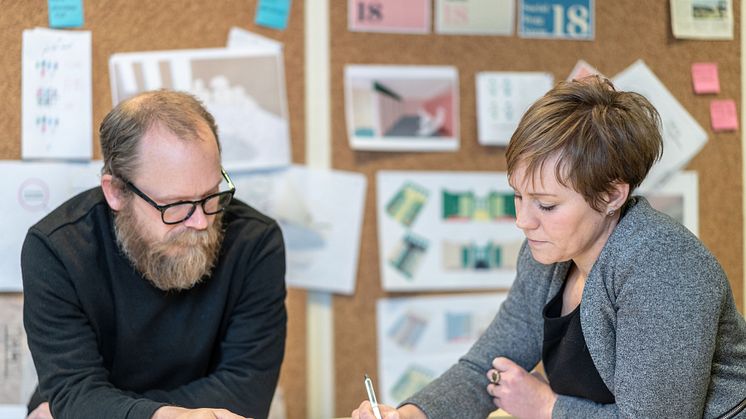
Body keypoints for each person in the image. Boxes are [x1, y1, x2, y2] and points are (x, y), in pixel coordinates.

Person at [352, 76, 746, 418]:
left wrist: (546, 407)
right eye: (517, 196)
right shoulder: (549, 255)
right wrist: (408, 414)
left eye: (546, 204)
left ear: (611, 195)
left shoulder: (664, 268)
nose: (523, 220)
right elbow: (487, 368)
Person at [22, 90, 287, 419]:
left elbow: (247, 389)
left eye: (210, 195)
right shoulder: (57, 250)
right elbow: (74, 390)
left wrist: (101, 410)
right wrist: (158, 415)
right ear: (116, 192)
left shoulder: (255, 243)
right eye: (176, 206)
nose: (201, 222)